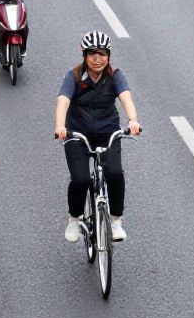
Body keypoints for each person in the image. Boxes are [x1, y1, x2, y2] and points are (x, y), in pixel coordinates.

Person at [54, 31, 140, 243]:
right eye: (92, 54)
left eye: (102, 54)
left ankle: (116, 220)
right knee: (80, 179)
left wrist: (133, 121)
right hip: (77, 133)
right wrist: (60, 126)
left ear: (108, 56)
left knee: (115, 173)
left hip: (107, 132)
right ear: (84, 56)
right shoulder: (73, 76)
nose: (97, 59)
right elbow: (63, 101)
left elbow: (126, 97)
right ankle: (75, 220)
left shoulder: (115, 76)